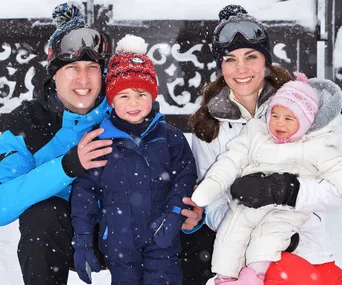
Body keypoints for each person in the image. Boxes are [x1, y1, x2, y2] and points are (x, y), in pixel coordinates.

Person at [0, 3, 200, 285]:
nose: (83, 79)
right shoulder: (29, 121)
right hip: (72, 235)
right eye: (71, 68)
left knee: (198, 234)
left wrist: (190, 215)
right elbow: (2, 204)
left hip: (136, 229)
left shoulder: (123, 105)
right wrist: (67, 167)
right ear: (53, 73)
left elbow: (167, 160)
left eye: (91, 67)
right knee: (40, 218)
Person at [188, 4, 342, 285]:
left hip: (305, 242)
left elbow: (335, 188)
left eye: (251, 56)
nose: (241, 69)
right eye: (230, 59)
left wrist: (289, 191)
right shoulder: (209, 126)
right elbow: (214, 204)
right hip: (243, 253)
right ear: (221, 66)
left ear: (266, 60)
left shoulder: (301, 108)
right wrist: (244, 219)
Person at [70, 34, 197, 285]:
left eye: (141, 94)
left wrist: (173, 214)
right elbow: (84, 191)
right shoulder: (100, 140)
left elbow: (185, 175)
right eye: (124, 96)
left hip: (162, 239)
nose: (133, 103)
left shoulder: (169, 137)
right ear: (112, 100)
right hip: (119, 243)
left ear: (153, 95)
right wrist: (83, 238)